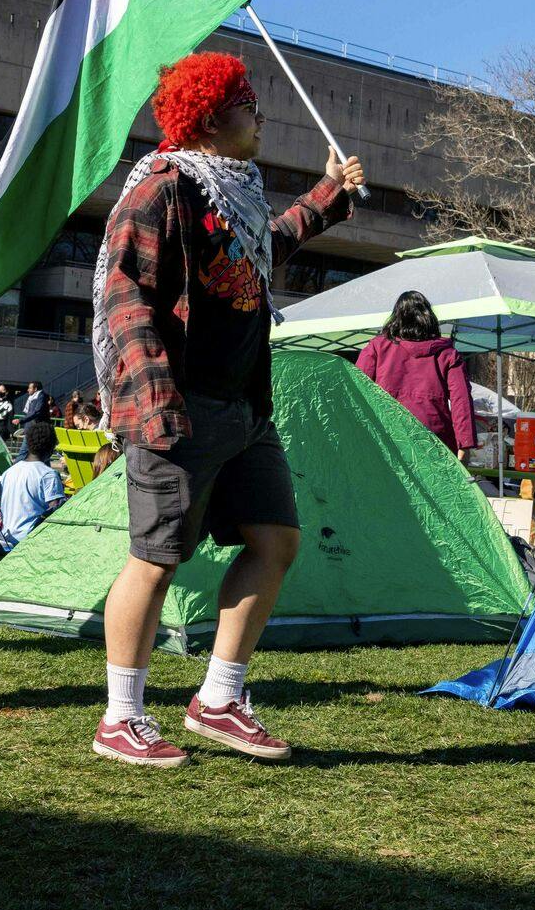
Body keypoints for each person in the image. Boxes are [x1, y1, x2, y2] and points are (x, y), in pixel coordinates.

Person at [90, 52, 362, 767]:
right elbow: (124, 296)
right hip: (176, 406)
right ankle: (120, 716)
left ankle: (219, 697)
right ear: (210, 118)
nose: (259, 115)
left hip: (245, 407)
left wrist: (329, 194)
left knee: (276, 539)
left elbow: (259, 254)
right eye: (247, 103)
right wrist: (153, 396)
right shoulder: (160, 190)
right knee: (155, 559)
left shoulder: (229, 191)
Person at [353, 290, 478, 459]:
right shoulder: (447, 354)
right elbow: (461, 401)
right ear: (429, 318)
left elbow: (355, 392)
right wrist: (465, 445)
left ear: (396, 318)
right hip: (434, 441)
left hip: (386, 437)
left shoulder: (377, 347)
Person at [0, 421, 66, 550]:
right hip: (31, 540)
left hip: (7, 537)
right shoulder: (48, 475)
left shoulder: (9, 472)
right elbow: (55, 511)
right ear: (51, 446)